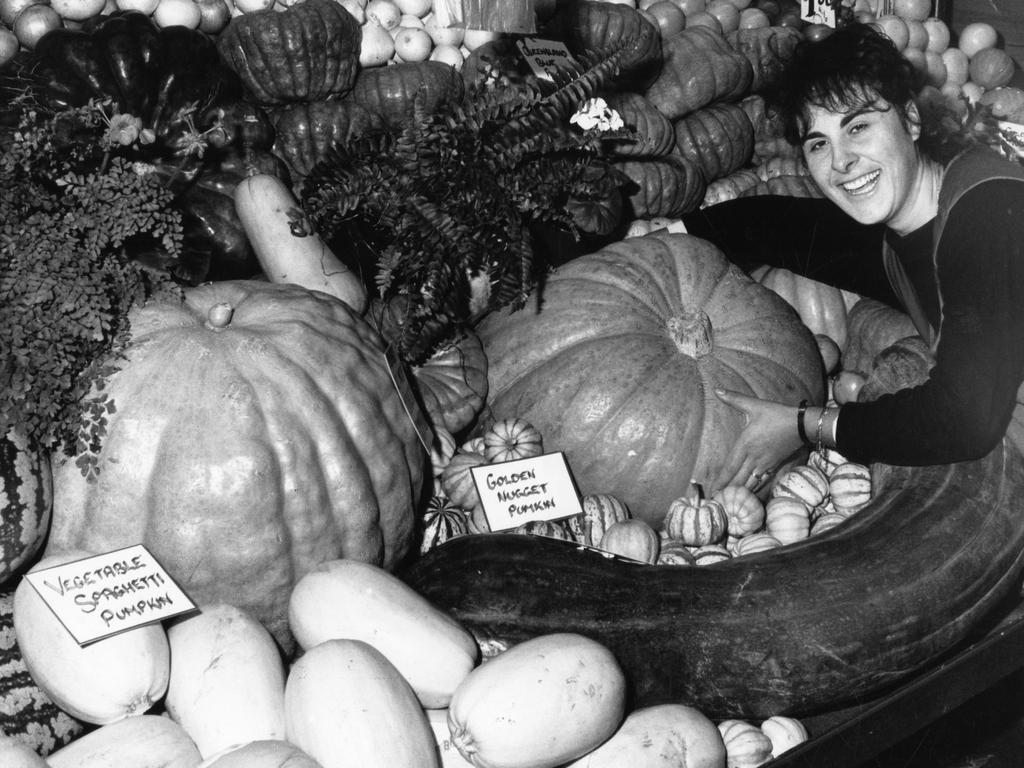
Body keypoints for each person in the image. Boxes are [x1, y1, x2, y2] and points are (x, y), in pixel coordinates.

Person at [676, 23, 1024, 492]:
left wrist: (806, 425)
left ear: (911, 120)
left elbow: (963, 418)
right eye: (818, 143)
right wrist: (668, 238)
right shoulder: (904, 232)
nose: (841, 161)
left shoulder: (986, 213)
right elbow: (785, 227)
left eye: (857, 126)